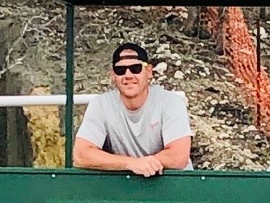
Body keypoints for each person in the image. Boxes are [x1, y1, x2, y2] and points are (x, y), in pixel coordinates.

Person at [73, 43, 192, 177]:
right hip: (124, 188)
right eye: (120, 70)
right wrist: (132, 164)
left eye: (135, 68)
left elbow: (178, 157)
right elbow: (81, 155)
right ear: (113, 75)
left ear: (149, 72)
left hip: (172, 185)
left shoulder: (171, 102)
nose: (128, 75)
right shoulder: (100, 105)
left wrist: (144, 165)